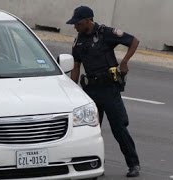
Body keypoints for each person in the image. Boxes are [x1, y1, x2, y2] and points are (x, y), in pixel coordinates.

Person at [66, 6, 141, 178]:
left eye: (77, 23)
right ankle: (95, 166)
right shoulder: (78, 42)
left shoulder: (105, 33)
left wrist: (125, 62)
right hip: (90, 91)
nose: (75, 26)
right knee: (91, 131)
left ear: (88, 20)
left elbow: (134, 41)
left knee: (119, 128)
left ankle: (133, 164)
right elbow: (76, 66)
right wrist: (72, 92)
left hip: (109, 89)